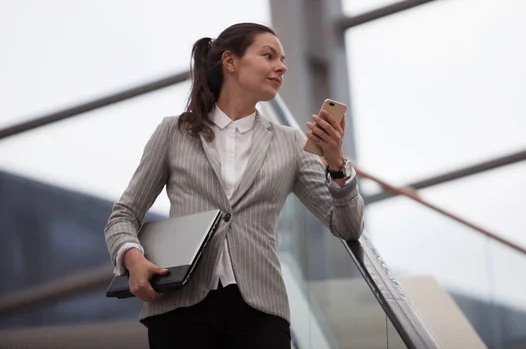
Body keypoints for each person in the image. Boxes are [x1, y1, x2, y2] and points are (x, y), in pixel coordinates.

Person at [104, 22, 364, 349]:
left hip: (260, 311)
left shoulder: (291, 143)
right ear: (230, 62)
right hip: (178, 308)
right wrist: (132, 258)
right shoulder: (174, 132)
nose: (281, 66)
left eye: (282, 59)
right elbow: (123, 216)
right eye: (269, 55)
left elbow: (347, 226)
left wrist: (337, 165)